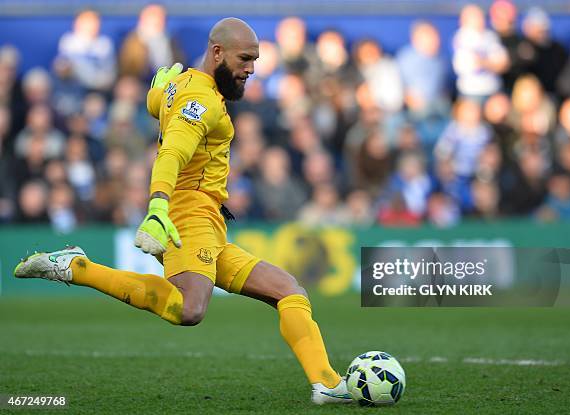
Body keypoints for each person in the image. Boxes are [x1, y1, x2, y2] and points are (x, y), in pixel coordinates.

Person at [14, 18, 351, 405]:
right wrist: (158, 206)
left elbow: (157, 104)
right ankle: (78, 268)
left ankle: (326, 383)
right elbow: (172, 151)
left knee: (288, 290)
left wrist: (157, 91)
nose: (251, 69)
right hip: (190, 215)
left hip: (209, 221)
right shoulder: (202, 101)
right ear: (217, 52)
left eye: (255, 60)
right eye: (245, 59)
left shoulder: (183, 84)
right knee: (188, 309)